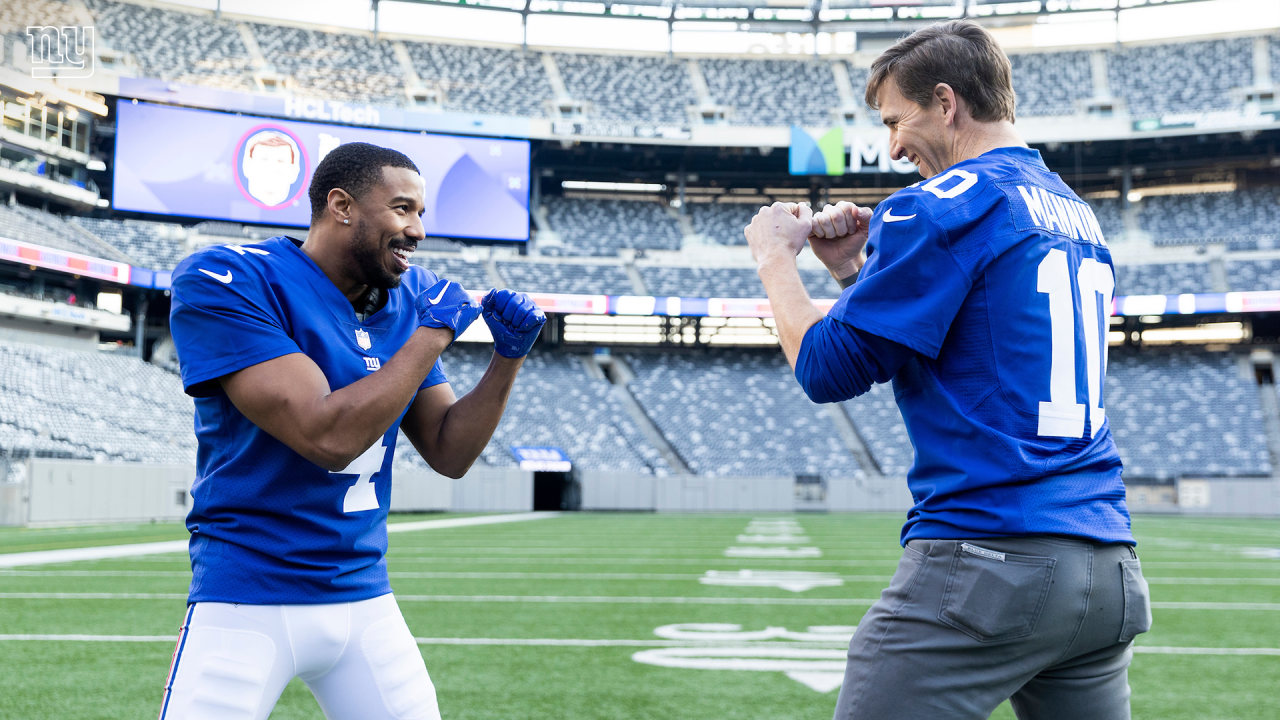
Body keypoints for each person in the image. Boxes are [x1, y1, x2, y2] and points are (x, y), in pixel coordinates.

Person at [744, 20, 1151, 720]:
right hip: (1108, 563)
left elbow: (826, 369)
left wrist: (774, 258)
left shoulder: (939, 205)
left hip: (992, 557)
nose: (893, 144)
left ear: (946, 102)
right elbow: (974, 342)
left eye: (897, 120)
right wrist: (853, 273)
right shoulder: (1075, 213)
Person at [161, 141, 545, 720]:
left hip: (365, 596)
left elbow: (449, 450)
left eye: (420, 214)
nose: (417, 231)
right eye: (402, 209)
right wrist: (432, 333)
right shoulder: (230, 277)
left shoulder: (405, 299)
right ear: (341, 206)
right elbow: (326, 438)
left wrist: (506, 359)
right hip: (247, 594)